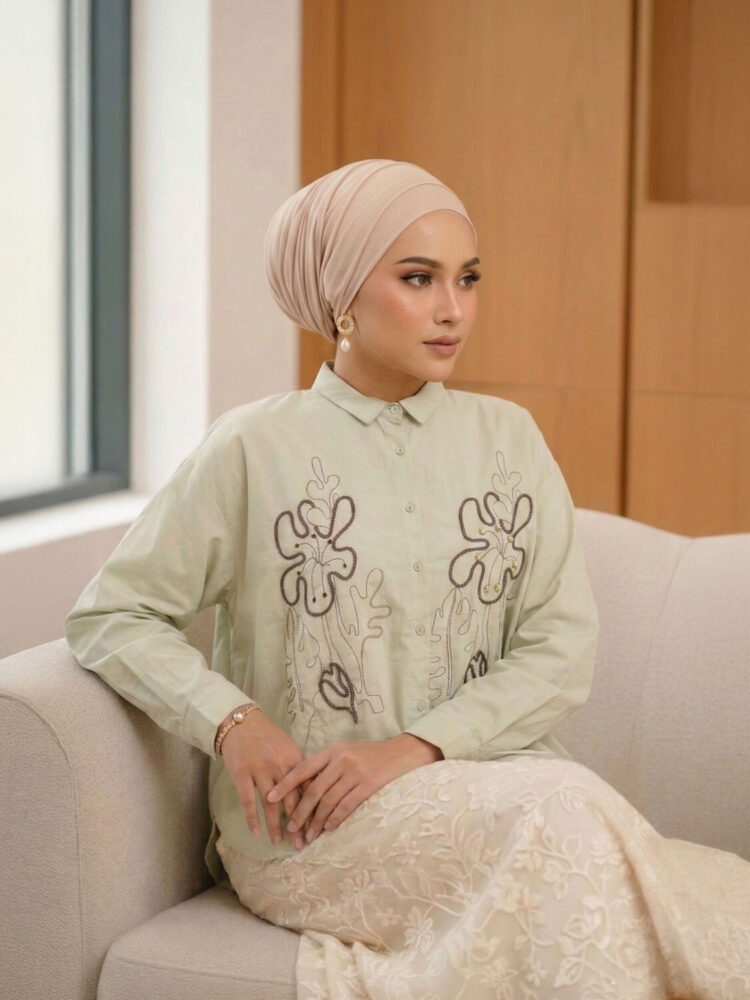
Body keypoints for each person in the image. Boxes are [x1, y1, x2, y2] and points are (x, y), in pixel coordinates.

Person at [65, 159, 750, 999]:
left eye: (468, 279)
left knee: (593, 830)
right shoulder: (251, 448)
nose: (452, 309)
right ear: (342, 298)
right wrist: (232, 721)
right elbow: (112, 614)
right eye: (418, 278)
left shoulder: (509, 439)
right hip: (313, 829)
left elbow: (559, 650)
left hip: (502, 796)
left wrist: (414, 748)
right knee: (570, 814)